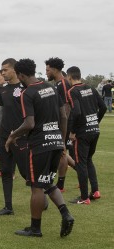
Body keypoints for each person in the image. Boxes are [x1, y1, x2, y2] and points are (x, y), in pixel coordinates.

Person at [5, 59, 74, 238]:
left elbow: (29, 123)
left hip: (40, 144)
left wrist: (13, 136)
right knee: (47, 181)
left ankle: (35, 228)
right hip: (57, 141)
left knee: (36, 186)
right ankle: (66, 213)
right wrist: (62, 140)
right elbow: (63, 116)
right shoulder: (51, 87)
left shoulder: (27, 93)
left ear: (20, 75)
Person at [0, 58, 27, 216]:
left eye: (5, 70)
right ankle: (8, 207)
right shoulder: (2, 89)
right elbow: (2, 113)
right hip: (4, 137)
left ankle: (42, 198)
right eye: (1, 70)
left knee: (27, 173)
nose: (2, 73)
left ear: (14, 70)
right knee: (5, 171)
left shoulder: (25, 88)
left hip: (21, 137)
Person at [66, 66, 107, 204]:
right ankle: (95, 191)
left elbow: (76, 112)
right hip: (94, 130)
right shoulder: (91, 88)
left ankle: (84, 197)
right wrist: (96, 121)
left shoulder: (72, 91)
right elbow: (103, 107)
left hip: (82, 133)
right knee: (88, 160)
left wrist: (72, 132)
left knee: (80, 163)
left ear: (69, 77)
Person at [45, 57, 73, 191]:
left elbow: (67, 107)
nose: (46, 72)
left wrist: (63, 126)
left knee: (61, 152)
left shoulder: (63, 84)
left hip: (64, 125)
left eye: (47, 70)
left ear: (55, 70)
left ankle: (60, 185)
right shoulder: (57, 84)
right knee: (61, 152)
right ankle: (81, 171)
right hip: (61, 124)